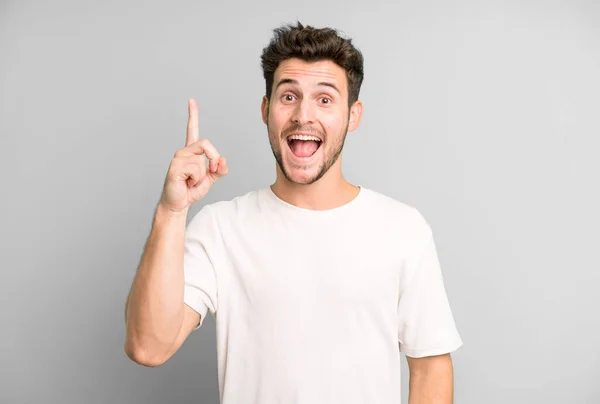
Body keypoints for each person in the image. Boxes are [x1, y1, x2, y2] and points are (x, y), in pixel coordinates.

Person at [125, 21, 463, 404]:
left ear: (353, 115)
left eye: (324, 99)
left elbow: (431, 367)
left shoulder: (402, 229)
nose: (304, 115)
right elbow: (148, 347)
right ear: (267, 109)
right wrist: (171, 212)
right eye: (288, 97)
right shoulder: (221, 229)